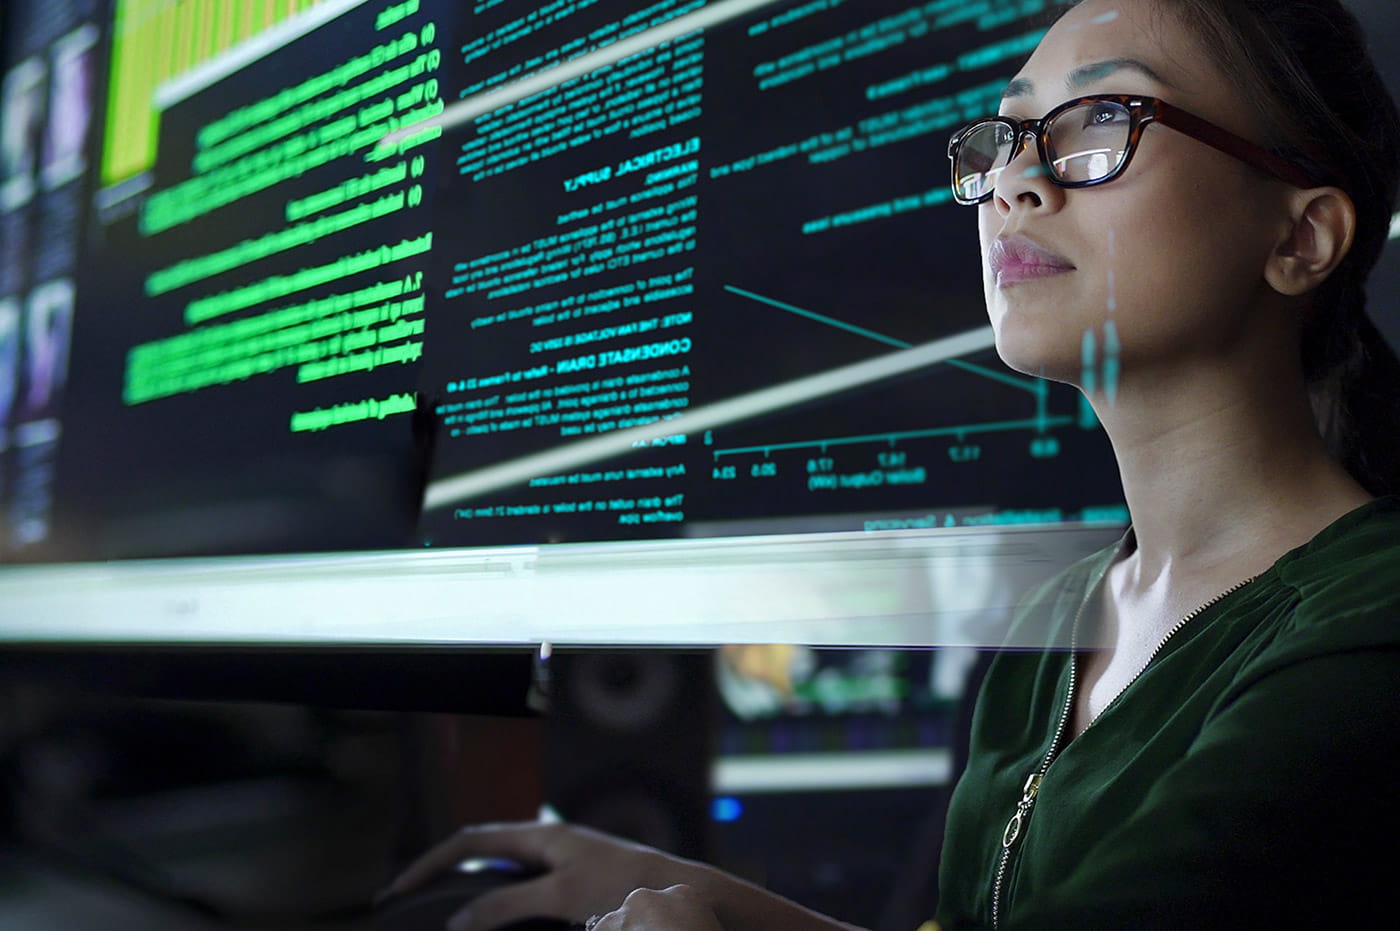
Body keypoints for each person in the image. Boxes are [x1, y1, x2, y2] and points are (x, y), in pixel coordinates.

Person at [382, 0, 1400, 926]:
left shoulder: (1364, 623)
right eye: (1003, 137)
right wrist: (695, 894)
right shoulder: (1064, 614)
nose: (1013, 182)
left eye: (1101, 123)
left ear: (1301, 235)